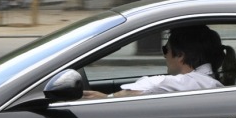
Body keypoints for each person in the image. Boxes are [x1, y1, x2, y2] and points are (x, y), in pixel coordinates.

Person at [83, 24, 224, 99]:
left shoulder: (200, 82)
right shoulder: (205, 81)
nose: (164, 56)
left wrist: (108, 98)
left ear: (180, 55)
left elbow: (152, 86)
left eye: (165, 50)